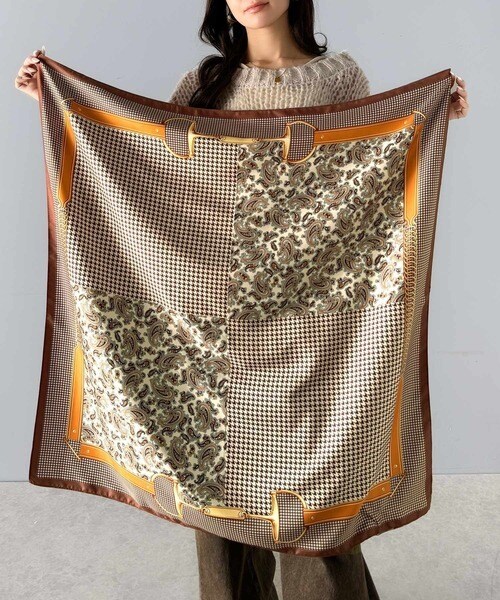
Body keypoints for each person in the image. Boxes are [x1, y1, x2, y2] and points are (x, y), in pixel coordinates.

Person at [15, 2, 469, 598]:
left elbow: (368, 167)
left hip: (312, 329)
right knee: (215, 504)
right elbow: (155, 171)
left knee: (316, 505)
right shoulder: (205, 82)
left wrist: (431, 121)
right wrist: (54, 103)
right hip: (206, 323)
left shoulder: (341, 77)